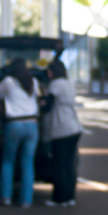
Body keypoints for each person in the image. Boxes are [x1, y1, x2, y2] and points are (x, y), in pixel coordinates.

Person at [0, 57, 40, 208]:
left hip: (14, 124)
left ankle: (6, 197)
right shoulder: (33, 82)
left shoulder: (8, 82)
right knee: (28, 163)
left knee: (8, 161)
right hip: (32, 125)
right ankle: (26, 200)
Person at [41, 59, 81, 206]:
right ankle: (70, 197)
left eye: (49, 71)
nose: (48, 74)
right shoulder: (69, 83)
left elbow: (47, 107)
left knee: (59, 165)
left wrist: (42, 102)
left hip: (61, 129)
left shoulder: (55, 84)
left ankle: (59, 198)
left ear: (54, 71)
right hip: (75, 128)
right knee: (70, 165)